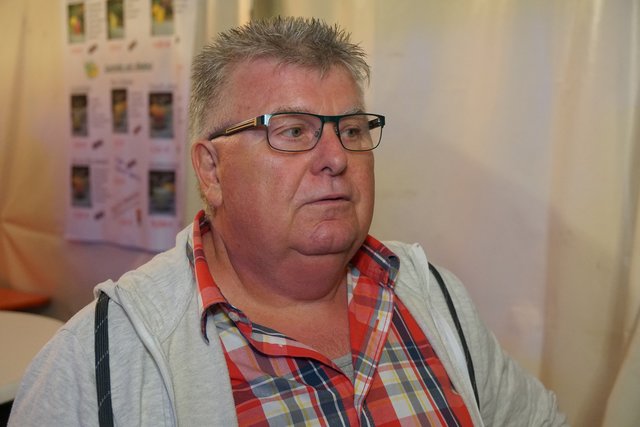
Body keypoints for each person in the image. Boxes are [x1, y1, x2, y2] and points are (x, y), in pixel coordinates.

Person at [9, 16, 567, 426]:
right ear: (211, 171)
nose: (336, 157)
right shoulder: (103, 358)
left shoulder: (434, 297)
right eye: (293, 131)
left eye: (352, 129)